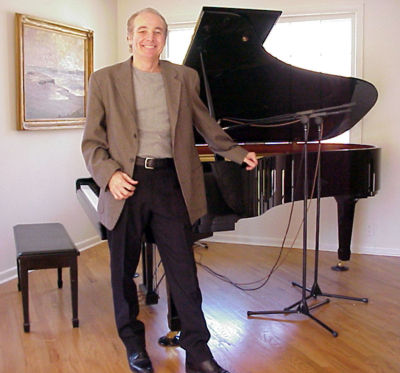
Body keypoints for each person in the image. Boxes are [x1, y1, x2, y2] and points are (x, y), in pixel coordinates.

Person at [82, 7, 258, 373]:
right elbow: (92, 143)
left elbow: (206, 125)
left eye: (158, 31)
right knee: (122, 274)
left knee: (184, 273)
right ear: (129, 37)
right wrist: (110, 174)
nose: (150, 37)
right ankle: (134, 344)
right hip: (124, 184)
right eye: (142, 30)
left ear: (165, 38)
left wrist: (237, 152)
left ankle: (198, 353)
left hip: (171, 183)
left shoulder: (184, 77)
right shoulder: (104, 80)